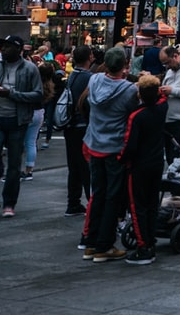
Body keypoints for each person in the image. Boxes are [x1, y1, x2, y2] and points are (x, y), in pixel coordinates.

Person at [81, 47, 139, 263]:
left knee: (97, 194)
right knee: (112, 197)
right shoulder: (129, 90)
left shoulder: (94, 81)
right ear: (125, 65)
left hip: (94, 144)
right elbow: (135, 109)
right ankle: (104, 245)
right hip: (114, 148)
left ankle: (90, 243)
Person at [0, 34, 43, 218]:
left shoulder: (30, 69)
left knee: (14, 164)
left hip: (17, 121)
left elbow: (38, 94)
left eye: (8, 47)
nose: (4, 50)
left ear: (18, 49)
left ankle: (9, 202)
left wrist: (11, 94)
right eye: (2, 47)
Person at [119, 73, 167, 265]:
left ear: (140, 94)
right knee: (152, 204)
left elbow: (130, 145)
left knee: (137, 207)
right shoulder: (162, 107)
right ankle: (150, 240)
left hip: (139, 165)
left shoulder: (136, 116)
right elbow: (163, 97)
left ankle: (143, 247)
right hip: (156, 162)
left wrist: (121, 158)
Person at [61, 46, 96, 216]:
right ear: (90, 57)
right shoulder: (91, 78)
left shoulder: (72, 76)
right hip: (84, 125)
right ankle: (92, 203)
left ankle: (73, 203)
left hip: (70, 125)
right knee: (86, 167)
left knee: (73, 166)